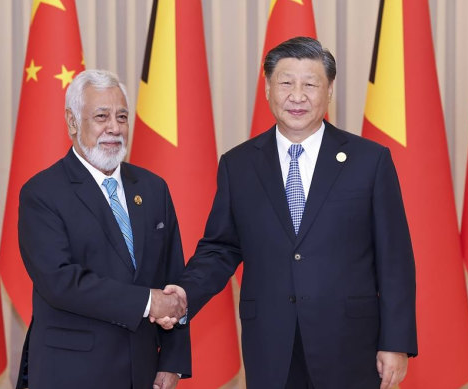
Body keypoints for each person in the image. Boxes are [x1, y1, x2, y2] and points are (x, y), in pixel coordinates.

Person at [162, 37, 417, 388]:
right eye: (286, 83)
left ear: (329, 91)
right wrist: (185, 293)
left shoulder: (369, 161)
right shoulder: (239, 164)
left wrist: (396, 342)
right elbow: (221, 248)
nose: (297, 96)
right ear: (268, 88)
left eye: (310, 84)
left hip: (349, 344)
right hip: (270, 342)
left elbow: (395, 259)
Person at [15, 69, 191, 389]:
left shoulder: (153, 188)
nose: (114, 128)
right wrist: (148, 303)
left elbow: (173, 278)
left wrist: (173, 362)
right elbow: (60, 281)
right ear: (72, 122)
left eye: (122, 116)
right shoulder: (42, 193)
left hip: (144, 372)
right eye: (101, 116)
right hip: (72, 373)